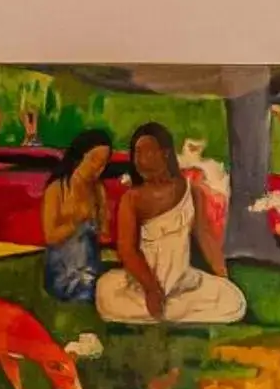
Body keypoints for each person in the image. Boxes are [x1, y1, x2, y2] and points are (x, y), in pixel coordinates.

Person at [97, 122, 246, 325]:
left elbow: (205, 237)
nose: (140, 160)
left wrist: (223, 276)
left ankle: (171, 308)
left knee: (233, 299)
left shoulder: (191, 191)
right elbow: (127, 250)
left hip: (182, 283)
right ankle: (163, 306)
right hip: (142, 285)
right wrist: (151, 289)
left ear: (165, 153)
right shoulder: (131, 199)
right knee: (109, 297)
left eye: (147, 152)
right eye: (136, 153)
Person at [39, 128, 114, 304]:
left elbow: (104, 234)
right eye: (94, 160)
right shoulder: (57, 189)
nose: (98, 168)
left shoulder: (98, 190)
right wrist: (77, 221)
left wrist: (103, 230)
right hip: (63, 270)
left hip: (90, 266)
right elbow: (50, 236)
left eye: (103, 163)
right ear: (79, 156)